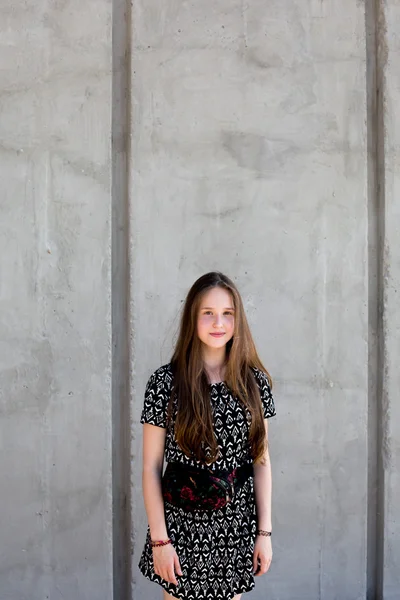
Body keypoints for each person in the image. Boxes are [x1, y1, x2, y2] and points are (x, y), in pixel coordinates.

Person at [139, 271, 276, 600]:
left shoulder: (253, 384)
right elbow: (150, 468)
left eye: (228, 313)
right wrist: (160, 541)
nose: (219, 323)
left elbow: (261, 460)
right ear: (193, 318)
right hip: (181, 529)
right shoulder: (165, 384)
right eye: (208, 313)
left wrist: (264, 532)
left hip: (234, 527)